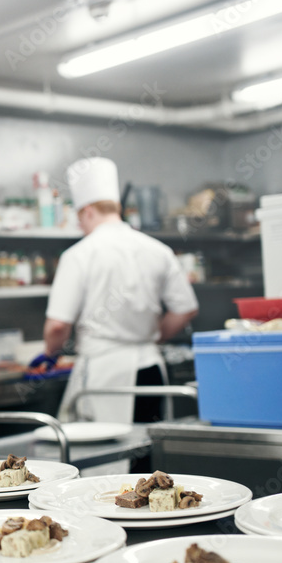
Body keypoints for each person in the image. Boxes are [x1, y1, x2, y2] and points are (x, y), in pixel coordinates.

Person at [33, 157, 198, 424]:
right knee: (148, 453)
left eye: (80, 219)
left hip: (105, 375)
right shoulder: (158, 250)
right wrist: (152, 338)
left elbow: (57, 327)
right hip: (151, 369)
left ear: (87, 212)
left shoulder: (79, 255)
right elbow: (186, 309)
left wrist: (51, 354)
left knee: (107, 457)